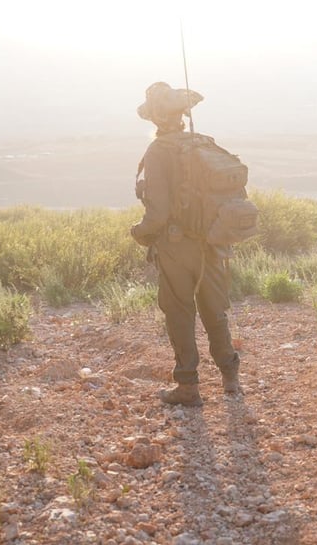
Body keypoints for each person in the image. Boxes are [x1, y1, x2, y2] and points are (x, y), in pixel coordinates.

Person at [130, 82, 241, 407]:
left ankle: (188, 387)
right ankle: (230, 376)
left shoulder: (158, 151)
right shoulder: (204, 143)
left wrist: (139, 232)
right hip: (212, 241)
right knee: (214, 309)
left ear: (155, 119)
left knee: (179, 312)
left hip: (178, 246)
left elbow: (159, 213)